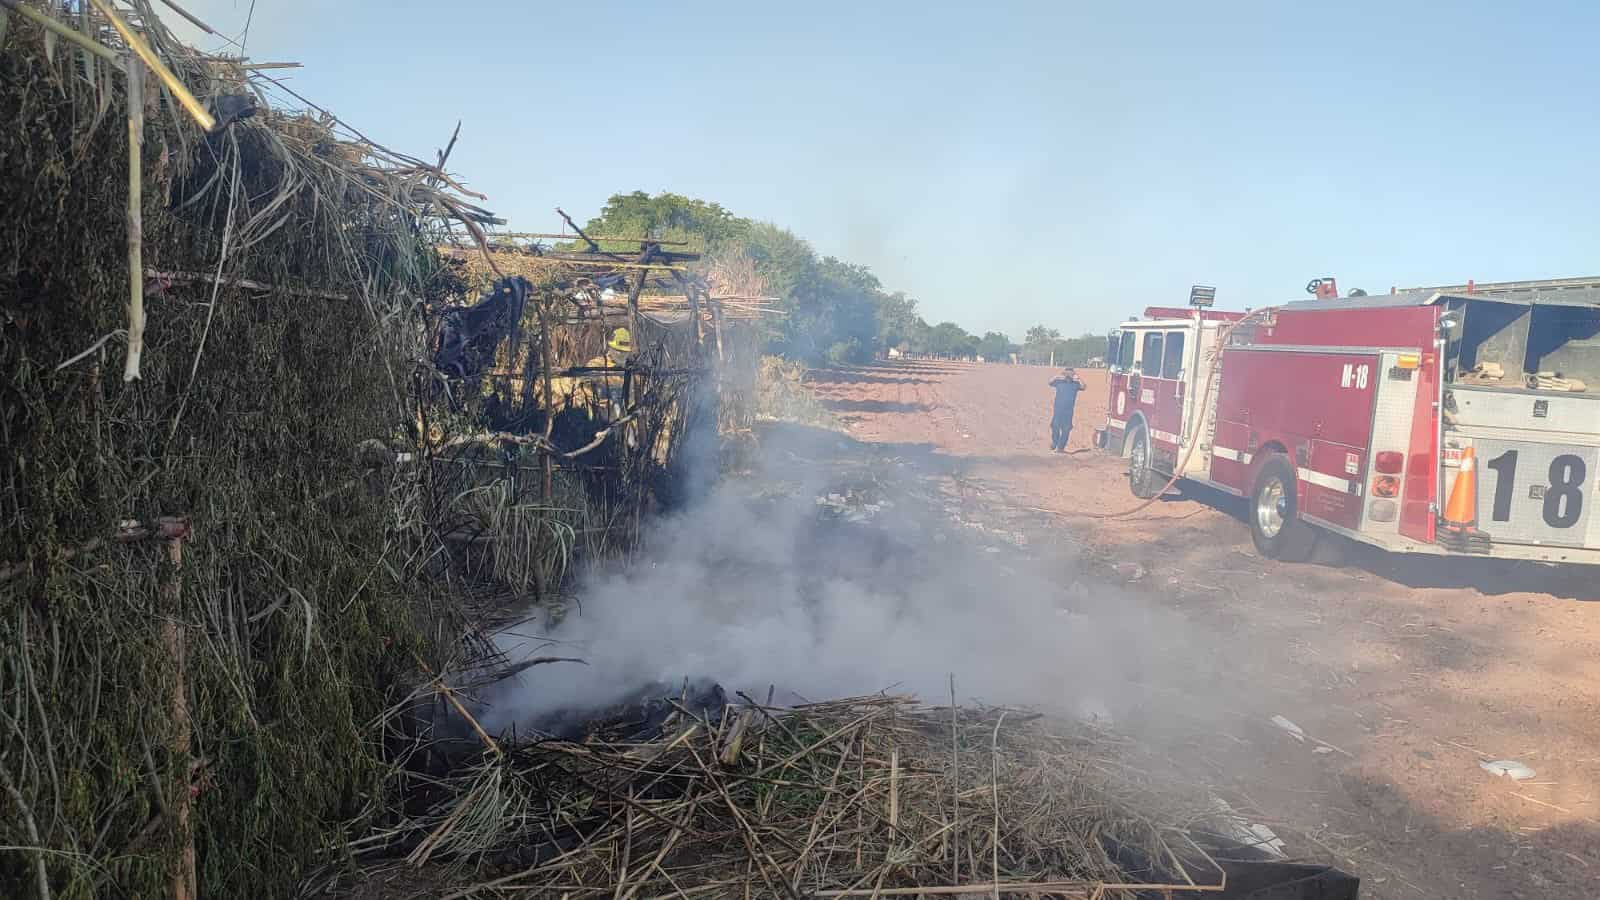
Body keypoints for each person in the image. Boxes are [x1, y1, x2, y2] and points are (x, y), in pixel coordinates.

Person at [1048, 368, 1084, 453]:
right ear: (1063, 374)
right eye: (1066, 374)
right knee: (1055, 426)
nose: (1068, 376)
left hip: (1068, 411)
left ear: (1072, 375)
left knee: (1066, 429)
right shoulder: (1059, 382)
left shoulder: (1075, 384)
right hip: (1058, 410)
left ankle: (1060, 447)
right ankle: (1055, 442)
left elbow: (1084, 386)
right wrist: (1057, 376)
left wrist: (1078, 378)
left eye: (1070, 374)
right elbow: (1050, 382)